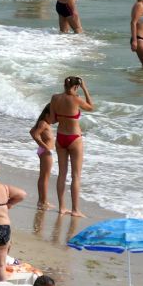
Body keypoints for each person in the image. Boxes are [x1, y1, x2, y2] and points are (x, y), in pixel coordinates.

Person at [48, 75, 93, 217]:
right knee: (75, 176)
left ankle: (62, 207)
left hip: (60, 137)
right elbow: (91, 107)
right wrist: (85, 89)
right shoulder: (77, 99)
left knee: (62, 174)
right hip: (74, 139)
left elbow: (52, 119)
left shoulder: (55, 98)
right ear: (76, 87)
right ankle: (75, 210)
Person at [29, 105, 55, 210]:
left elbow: (31, 131)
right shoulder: (43, 123)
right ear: (47, 114)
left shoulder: (45, 123)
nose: (54, 118)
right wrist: (45, 147)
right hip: (45, 152)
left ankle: (41, 201)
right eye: (52, 116)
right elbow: (35, 134)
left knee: (43, 176)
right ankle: (43, 202)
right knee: (45, 177)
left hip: (44, 151)